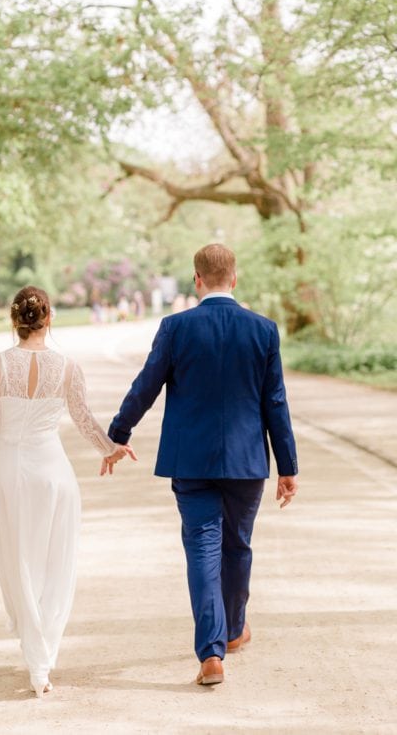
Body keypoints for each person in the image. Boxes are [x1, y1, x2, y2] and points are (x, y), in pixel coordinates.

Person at [106, 244, 298, 686]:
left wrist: (118, 433)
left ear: (197, 280)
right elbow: (275, 402)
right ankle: (232, 631)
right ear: (234, 278)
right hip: (247, 462)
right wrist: (287, 465)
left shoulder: (176, 327)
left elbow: (145, 386)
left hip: (191, 462)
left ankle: (211, 653)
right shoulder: (263, 330)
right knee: (238, 547)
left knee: (202, 549)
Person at [0, 286, 135, 698]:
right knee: (56, 563)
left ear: (14, 320)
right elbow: (82, 417)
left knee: (18, 560)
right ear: (49, 318)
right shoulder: (67, 367)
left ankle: (35, 654)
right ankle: (41, 659)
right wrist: (109, 448)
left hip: (9, 473)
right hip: (54, 473)